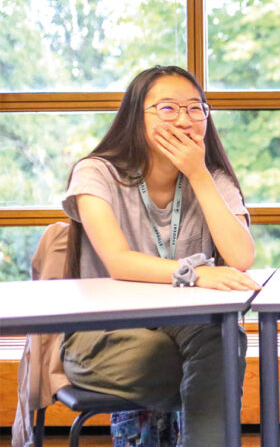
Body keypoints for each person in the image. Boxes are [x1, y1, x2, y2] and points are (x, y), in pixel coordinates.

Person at [60, 65, 260, 447]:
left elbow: (240, 257)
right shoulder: (96, 172)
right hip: (104, 330)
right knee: (193, 365)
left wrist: (198, 174)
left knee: (221, 338)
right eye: (167, 109)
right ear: (137, 116)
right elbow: (118, 260)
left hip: (187, 329)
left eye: (195, 108)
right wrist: (197, 273)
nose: (184, 120)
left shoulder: (213, 178)